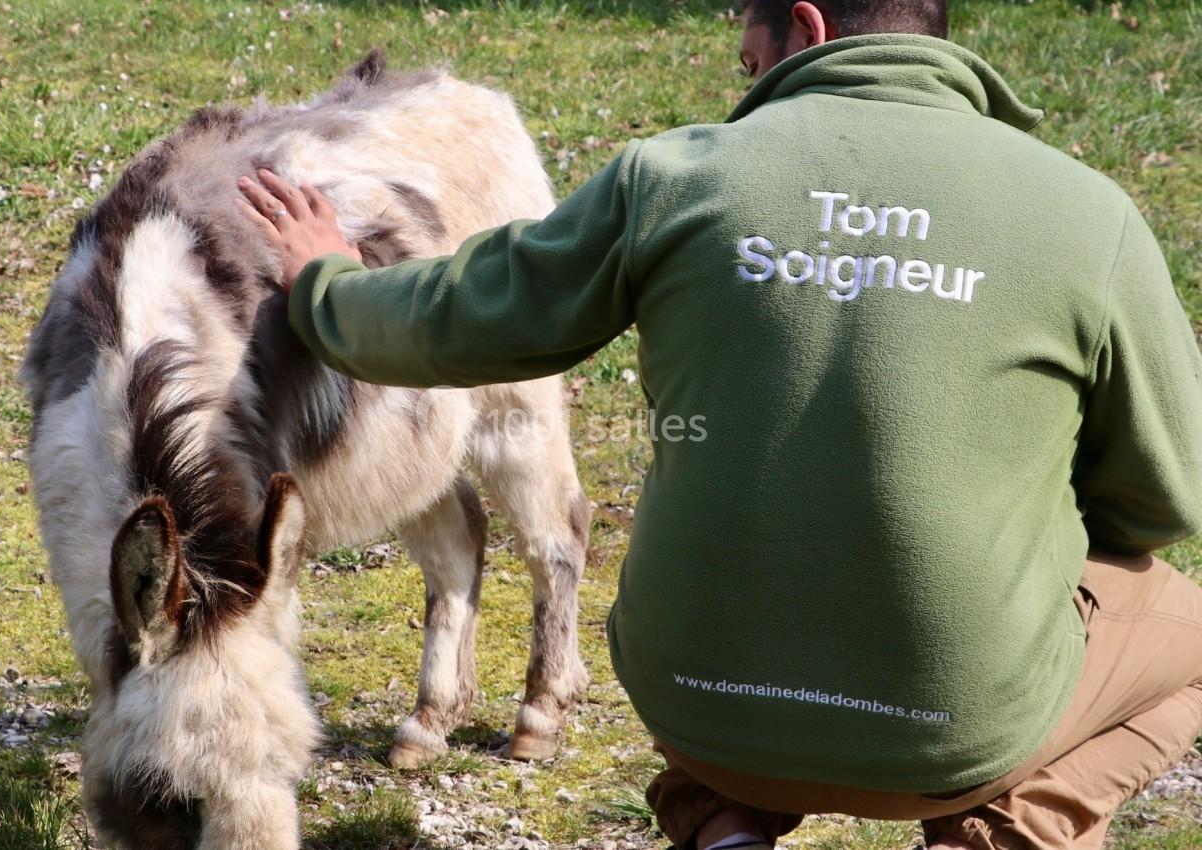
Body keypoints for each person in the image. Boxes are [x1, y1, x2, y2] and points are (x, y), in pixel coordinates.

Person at [235, 1, 1202, 848]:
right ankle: (993, 838)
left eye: (748, 52)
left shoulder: (673, 177)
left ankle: (721, 822)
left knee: (716, 563)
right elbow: (1167, 494)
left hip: (702, 706)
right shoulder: (1088, 216)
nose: (741, 73)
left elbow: (462, 318)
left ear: (806, 28)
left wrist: (327, 284)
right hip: (953, 733)